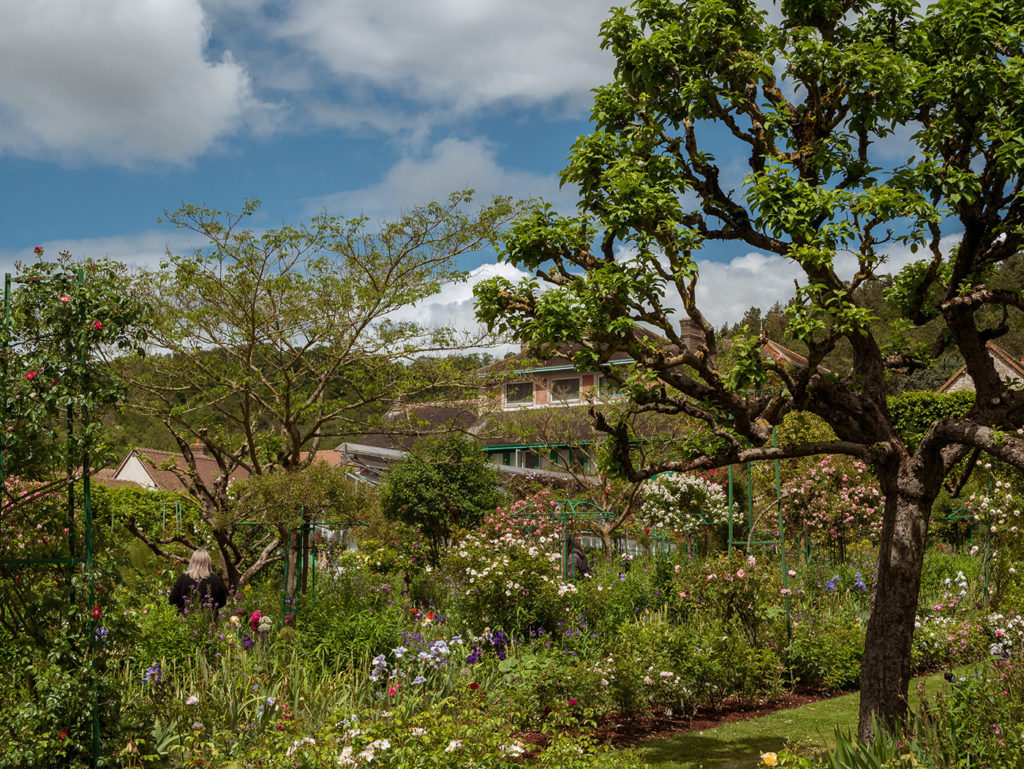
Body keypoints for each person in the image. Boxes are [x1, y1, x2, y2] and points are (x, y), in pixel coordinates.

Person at [169, 549, 227, 614]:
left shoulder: (183, 578)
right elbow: (222, 601)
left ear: (192, 562)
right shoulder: (216, 579)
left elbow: (172, 600)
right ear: (208, 562)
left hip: (186, 619)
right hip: (210, 619)